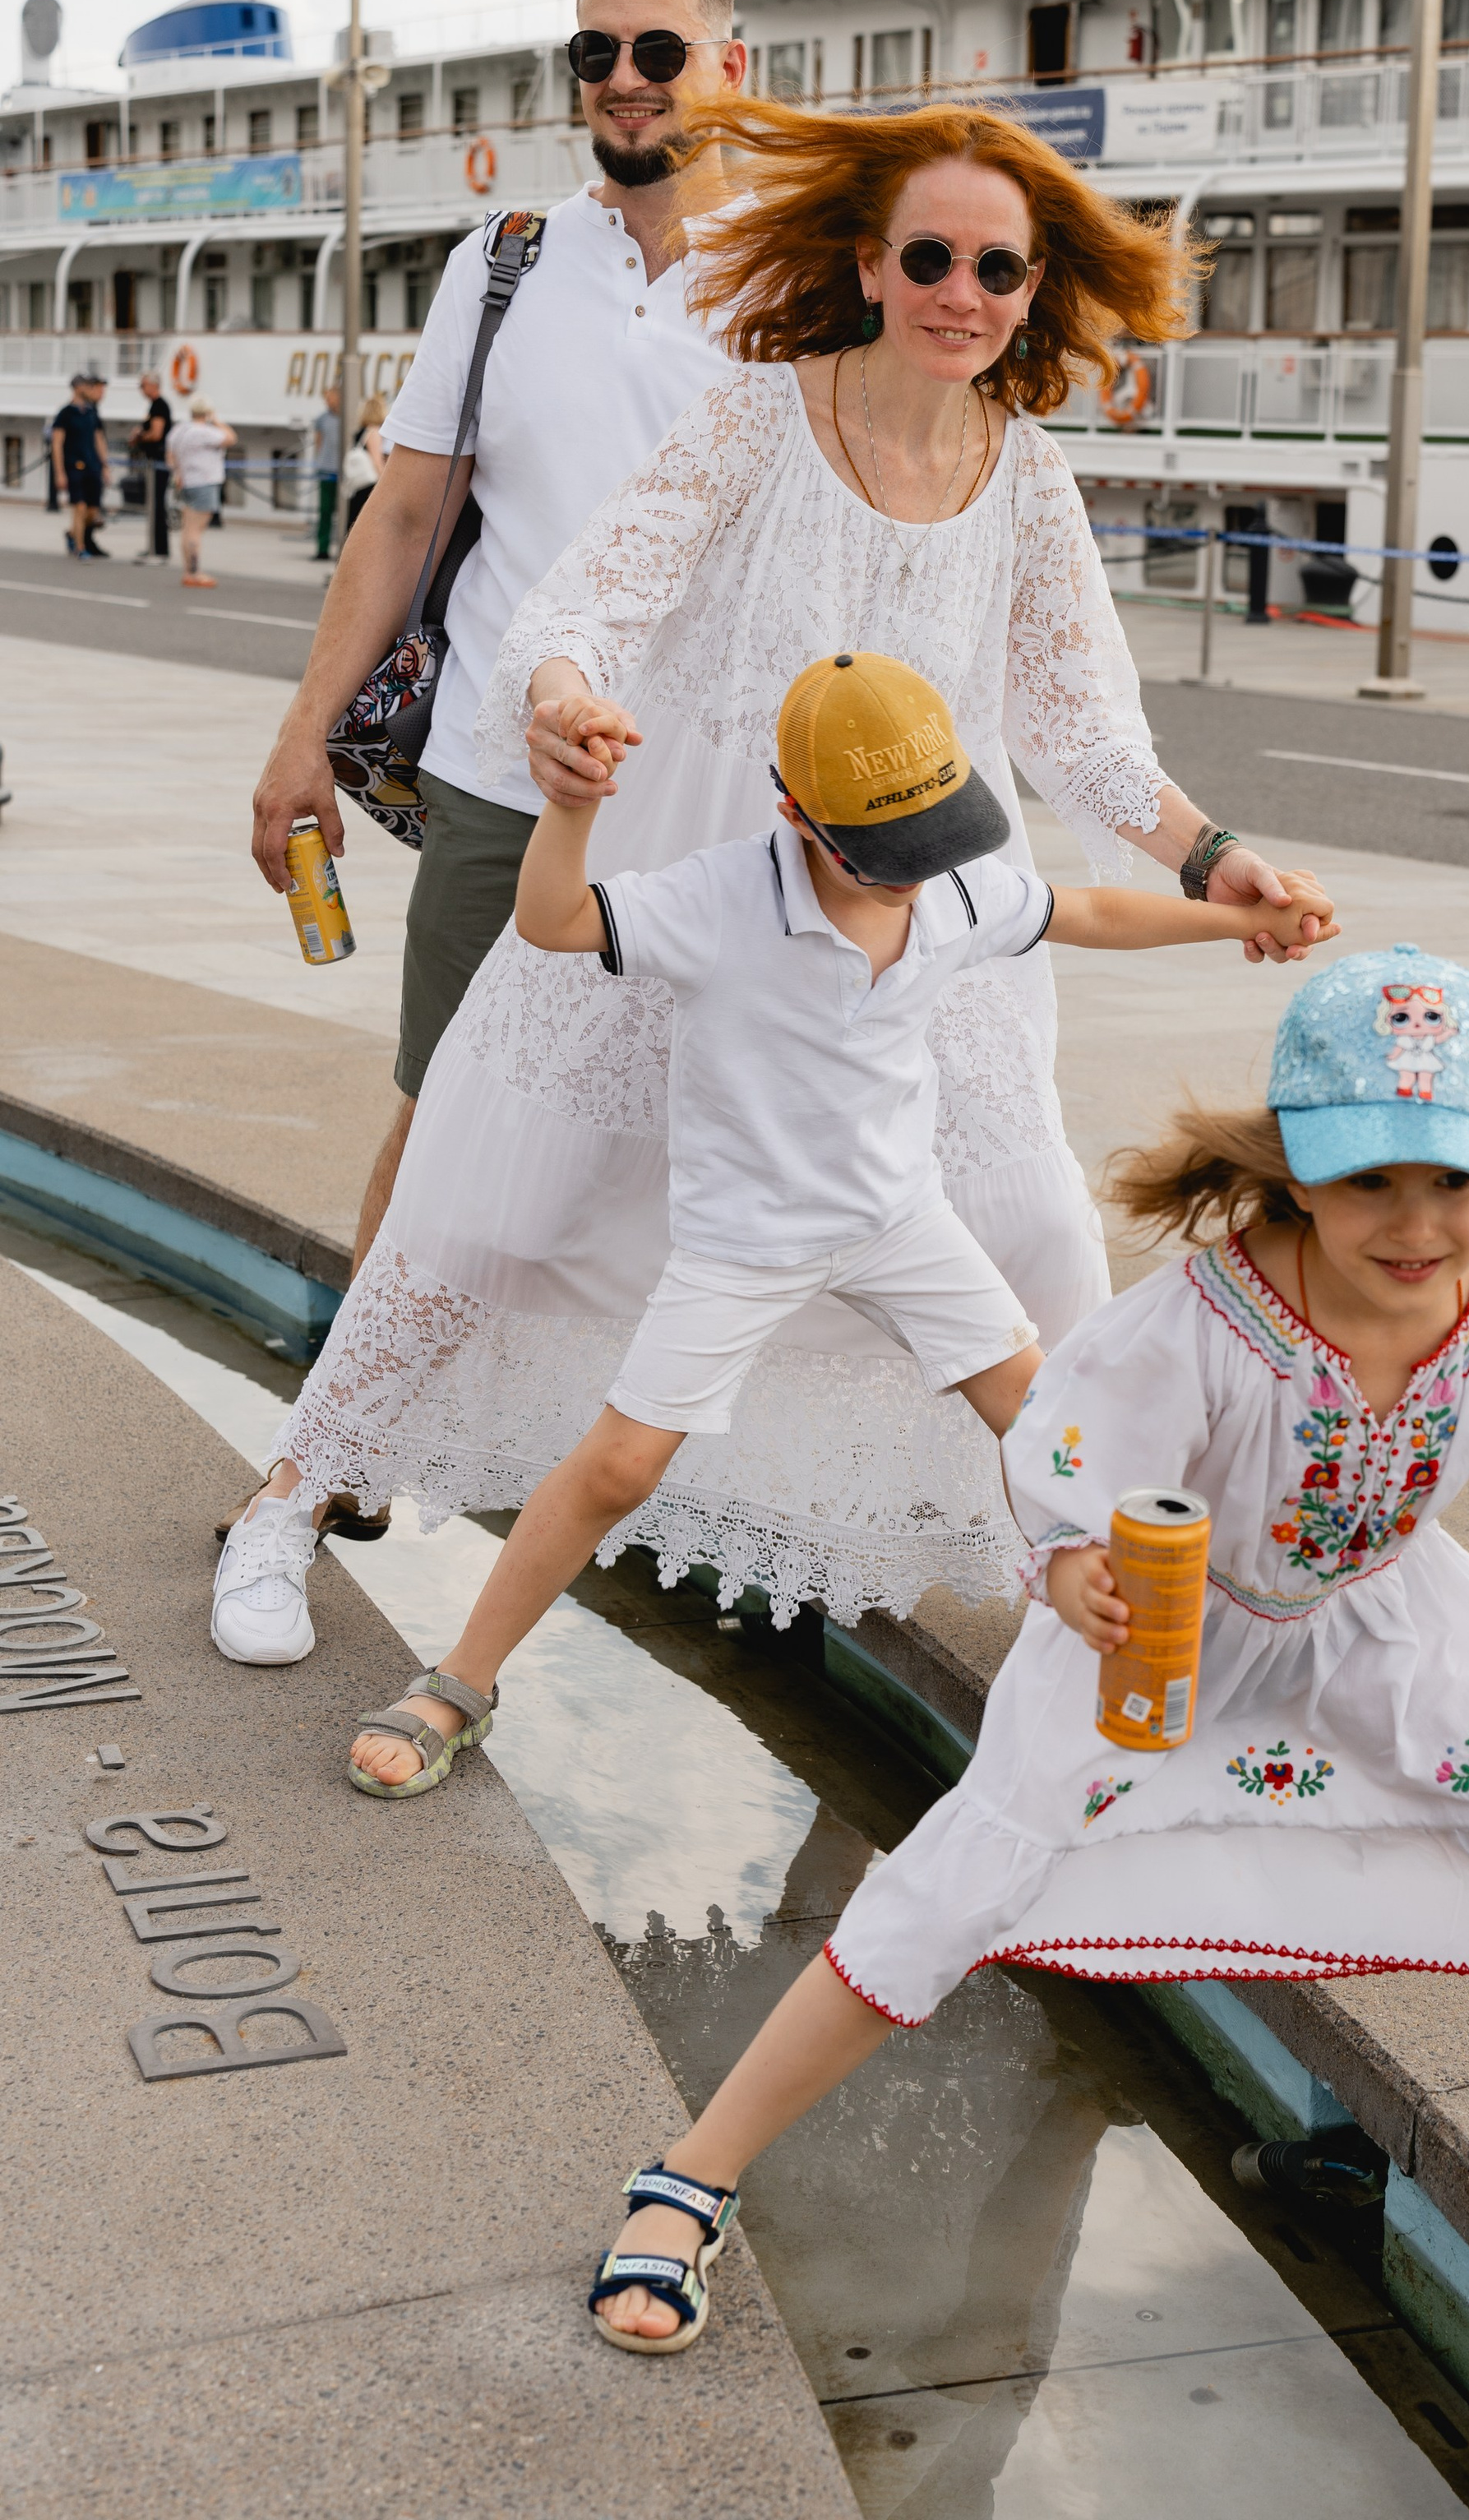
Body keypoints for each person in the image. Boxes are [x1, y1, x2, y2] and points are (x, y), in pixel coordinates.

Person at [583, 946, 1469, 2351]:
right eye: (1373, 1178)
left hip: (1384, 1627)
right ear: (1296, 1171)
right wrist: (1073, 1575)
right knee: (948, 1890)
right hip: (1169, 1641)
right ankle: (690, 2176)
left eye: (1453, 1179)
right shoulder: (1194, 1330)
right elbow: (1065, 1480)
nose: (1418, 1222)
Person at [220, 93, 1328, 1666]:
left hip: (919, 921)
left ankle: (1111, 1616)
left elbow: (1085, 737)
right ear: (872, 266)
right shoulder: (756, 414)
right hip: (690, 875)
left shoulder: (1030, 479)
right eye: (931, 257)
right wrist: (566, 711)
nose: (964, 293)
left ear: (1032, 293)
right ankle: (292, 1499)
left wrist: (1223, 865)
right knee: (489, 1213)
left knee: (1033, 1241)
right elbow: (582, 603)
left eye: (997, 271)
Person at [324, 652, 1335, 1755]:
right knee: (618, 1465)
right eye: (882, 855)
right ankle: (460, 1686)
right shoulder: (719, 899)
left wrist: (1239, 919)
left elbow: (1083, 909)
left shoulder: (952, 887)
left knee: (1052, 1425)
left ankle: (1199, 1656)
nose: (911, 876)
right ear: (794, 814)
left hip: (901, 1221)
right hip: (741, 1243)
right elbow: (555, 921)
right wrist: (571, 805)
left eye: (931, 845)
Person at [246, 0, 752, 1294]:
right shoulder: (506, 261)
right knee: (446, 1111)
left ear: (730, 64)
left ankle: (646, 1493)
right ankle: (336, 1463)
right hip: (493, 778)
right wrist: (303, 740)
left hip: (708, 809)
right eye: (598, 52)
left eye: (660, 49)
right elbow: (403, 518)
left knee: (696, 1146)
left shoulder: (802, 281)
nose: (626, 80)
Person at [168, 400, 236, 585]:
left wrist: (178, 473)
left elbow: (170, 455)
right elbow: (230, 438)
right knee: (196, 530)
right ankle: (195, 571)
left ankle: (188, 570)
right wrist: (217, 421)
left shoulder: (179, 430)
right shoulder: (205, 432)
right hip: (204, 482)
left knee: (187, 527)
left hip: (187, 481)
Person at [50, 374, 109, 558]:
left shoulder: (91, 412)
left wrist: (105, 465)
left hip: (92, 465)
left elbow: (99, 439)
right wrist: (59, 472)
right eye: (86, 385)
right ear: (77, 387)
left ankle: (72, 533)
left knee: (92, 511)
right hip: (73, 465)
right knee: (80, 506)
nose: (90, 389)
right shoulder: (65, 413)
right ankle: (80, 547)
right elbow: (57, 443)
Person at [131, 372, 174, 565]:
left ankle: (159, 551)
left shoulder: (159, 406)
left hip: (158, 463)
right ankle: (154, 547)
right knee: (154, 506)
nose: (141, 390)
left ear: (152, 385)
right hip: (155, 463)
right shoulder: (155, 406)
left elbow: (156, 434)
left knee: (157, 506)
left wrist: (139, 436)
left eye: (142, 385)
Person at [339, 391, 388, 538]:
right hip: (369, 485)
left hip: (358, 486)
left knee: (354, 523)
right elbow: (377, 461)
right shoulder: (374, 432)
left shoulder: (360, 432)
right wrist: (385, 483)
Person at [312, 382, 344, 562]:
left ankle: (344, 549)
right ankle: (322, 548)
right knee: (325, 511)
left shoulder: (348, 417)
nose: (327, 402)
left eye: (329, 398)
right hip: (326, 470)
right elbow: (319, 442)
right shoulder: (322, 419)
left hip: (343, 472)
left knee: (346, 512)